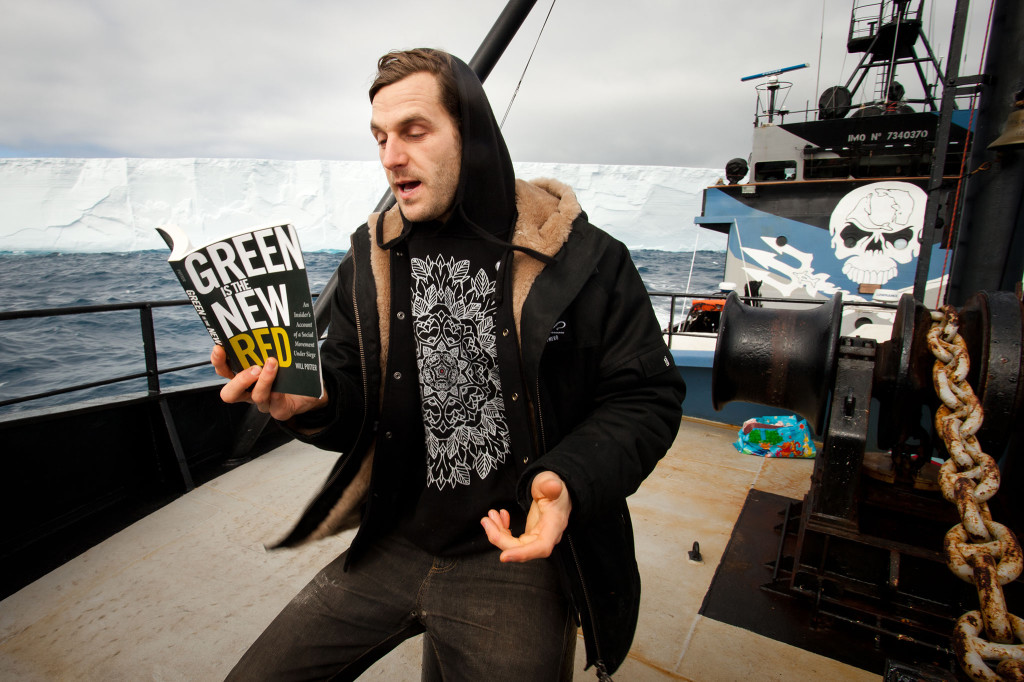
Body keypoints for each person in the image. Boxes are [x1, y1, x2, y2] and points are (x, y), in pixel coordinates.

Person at [213, 48, 685, 681]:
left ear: (473, 134)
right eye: (380, 137)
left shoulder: (586, 258)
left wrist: (567, 479)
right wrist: (314, 404)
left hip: (514, 559)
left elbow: (645, 397)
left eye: (414, 131)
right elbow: (352, 391)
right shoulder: (372, 258)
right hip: (393, 541)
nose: (390, 157)